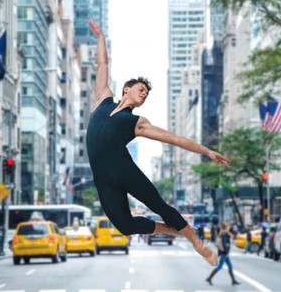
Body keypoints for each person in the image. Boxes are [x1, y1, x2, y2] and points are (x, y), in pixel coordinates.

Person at [85, 19, 229, 266]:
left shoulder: (137, 122)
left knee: (159, 205)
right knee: (124, 225)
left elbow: (175, 139)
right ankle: (172, 230)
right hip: (102, 177)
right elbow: (103, 64)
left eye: (146, 94)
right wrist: (100, 38)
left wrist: (207, 151)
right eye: (141, 89)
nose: (144, 94)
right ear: (126, 89)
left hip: (124, 171)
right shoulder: (102, 99)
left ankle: (195, 240)